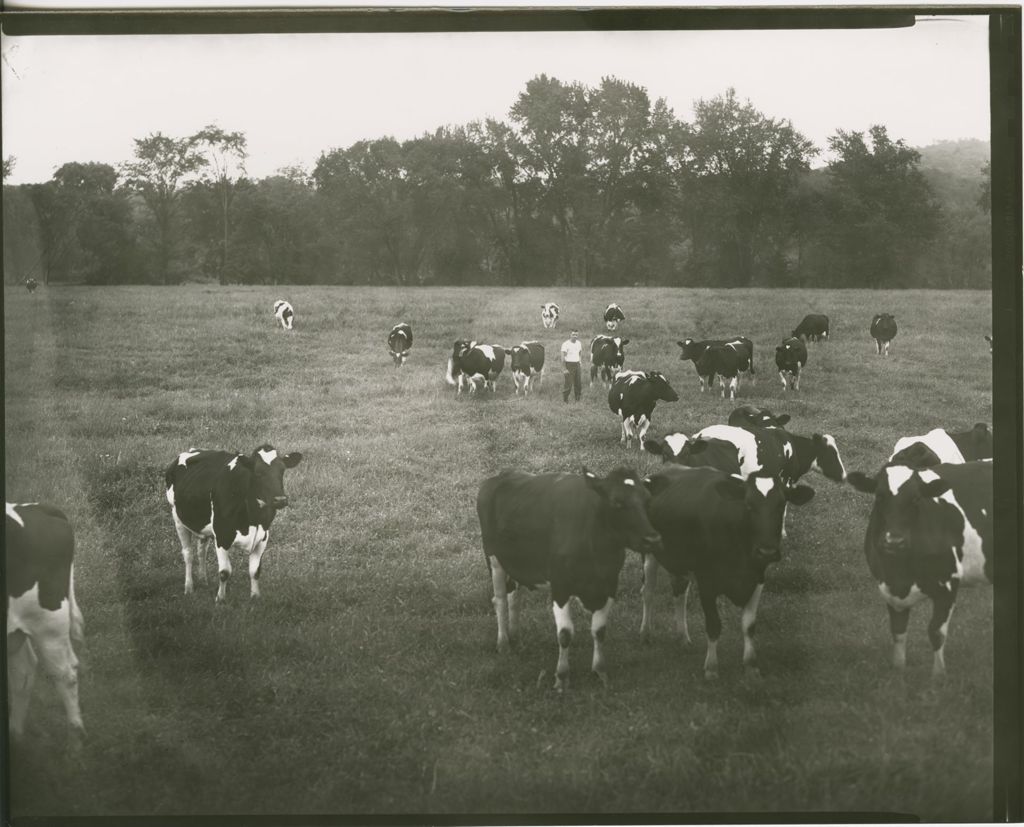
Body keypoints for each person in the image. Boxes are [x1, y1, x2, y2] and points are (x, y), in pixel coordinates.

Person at [560, 329, 583, 402]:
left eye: (576, 335)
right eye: (573, 334)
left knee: (578, 384)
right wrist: (564, 368)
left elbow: (580, 352)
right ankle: (565, 400)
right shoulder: (565, 344)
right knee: (568, 384)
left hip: (577, 365)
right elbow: (562, 357)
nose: (575, 336)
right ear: (570, 335)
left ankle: (577, 400)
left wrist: (580, 361)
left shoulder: (579, 343)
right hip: (569, 365)